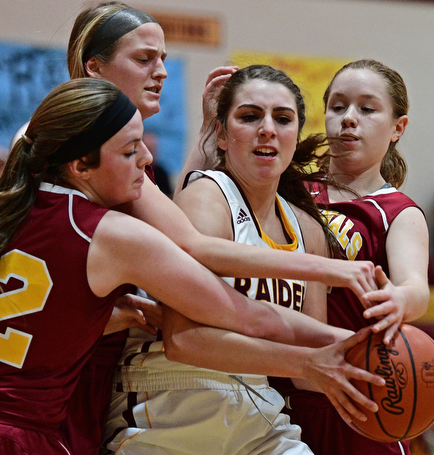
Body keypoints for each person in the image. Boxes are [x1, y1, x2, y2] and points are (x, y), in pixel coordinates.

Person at [0, 78, 379, 455]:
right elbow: (247, 314)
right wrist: (348, 344)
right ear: (80, 166)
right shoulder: (112, 233)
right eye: (130, 152)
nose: (146, 160)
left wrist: (106, 314)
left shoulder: (10, 204)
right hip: (11, 435)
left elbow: (33, 313)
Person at [62, 3, 379, 451]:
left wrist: (374, 363)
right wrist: (328, 276)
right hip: (148, 388)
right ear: (94, 69)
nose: (162, 73)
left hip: (248, 399)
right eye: (144, 59)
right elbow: (190, 246)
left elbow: (178, 229)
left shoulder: (301, 225)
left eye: (283, 119)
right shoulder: (74, 146)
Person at [269, 59, 429, 455]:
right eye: (338, 107)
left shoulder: (396, 211)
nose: (348, 119)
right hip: (275, 393)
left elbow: (416, 289)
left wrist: (399, 299)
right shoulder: (288, 190)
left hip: (357, 401)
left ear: (398, 128)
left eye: (367, 108)